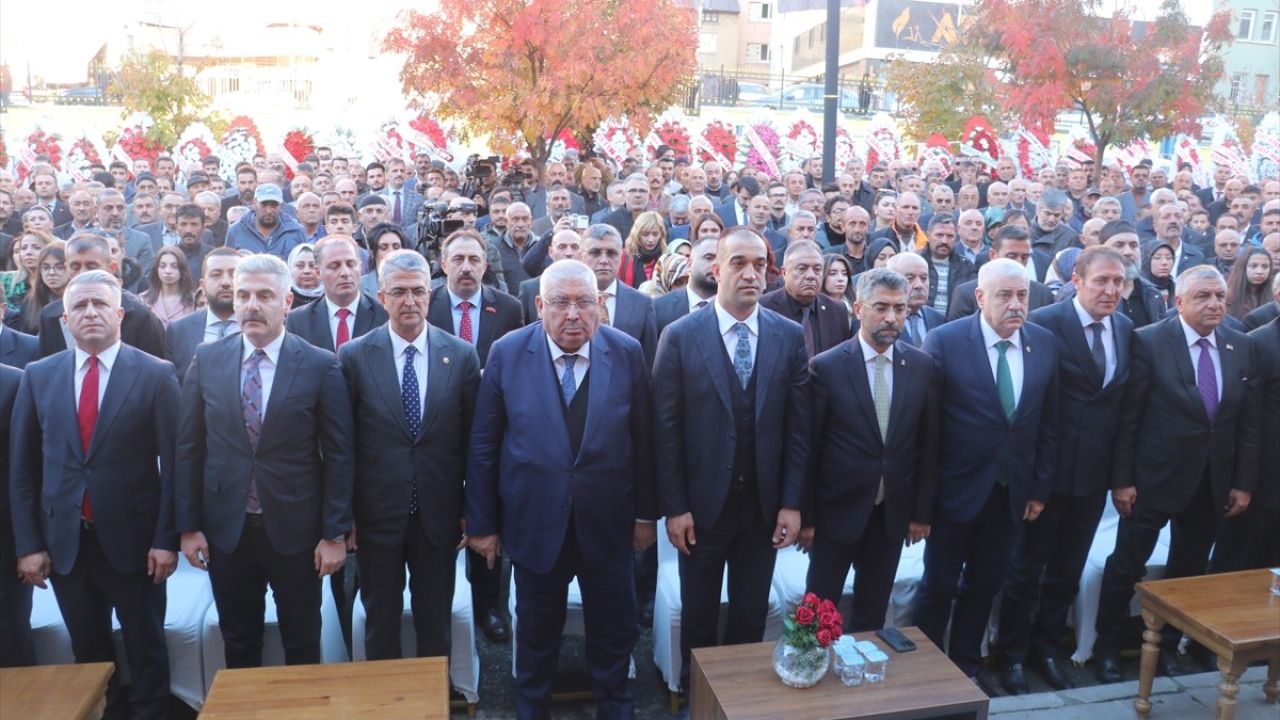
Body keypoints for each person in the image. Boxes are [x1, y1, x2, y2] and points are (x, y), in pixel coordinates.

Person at [466, 259, 655, 719]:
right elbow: (485, 445)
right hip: (534, 526)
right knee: (535, 638)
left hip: (608, 525)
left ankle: (617, 709)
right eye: (561, 303)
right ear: (538, 306)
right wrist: (483, 526)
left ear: (600, 305)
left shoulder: (626, 351)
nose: (573, 314)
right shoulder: (508, 353)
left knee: (614, 637)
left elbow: (646, 441)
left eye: (585, 302)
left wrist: (646, 515)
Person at [10, 270, 180, 718]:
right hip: (67, 544)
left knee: (146, 647)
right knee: (88, 652)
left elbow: (176, 469)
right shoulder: (39, 376)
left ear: (120, 314)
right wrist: (29, 545)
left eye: (100, 305)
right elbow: (23, 471)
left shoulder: (157, 375)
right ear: (65, 318)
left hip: (136, 543)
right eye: (80, 307)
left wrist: (167, 540)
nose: (90, 313)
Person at [176, 253, 356, 669]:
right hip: (227, 531)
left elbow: (341, 455)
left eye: (263, 295)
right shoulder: (208, 359)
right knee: (239, 644)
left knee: (302, 642)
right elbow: (188, 449)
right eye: (243, 295)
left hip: (297, 533)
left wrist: (333, 533)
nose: (251, 305)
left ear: (287, 302)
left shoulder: (319, 364)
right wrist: (188, 528)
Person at [653, 228, 810, 694]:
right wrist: (675, 506)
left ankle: (739, 700)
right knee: (698, 619)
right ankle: (696, 698)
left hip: (762, 509)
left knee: (749, 616)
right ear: (716, 269)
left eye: (759, 264)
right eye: (738, 263)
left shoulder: (788, 335)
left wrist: (791, 502)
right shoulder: (679, 336)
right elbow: (665, 430)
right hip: (701, 511)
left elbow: (799, 429)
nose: (750, 273)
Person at [1093, 265, 1260, 683]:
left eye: (1220, 296)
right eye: (1203, 296)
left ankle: (1168, 647)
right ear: (1179, 301)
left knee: (1187, 571)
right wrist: (1122, 480)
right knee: (1126, 566)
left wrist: (1242, 482)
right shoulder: (1149, 341)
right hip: (1151, 481)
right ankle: (1107, 647)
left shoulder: (1239, 345)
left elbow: (1247, 424)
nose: (1214, 304)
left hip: (1211, 484)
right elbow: (1128, 418)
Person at [913, 258, 1059, 681]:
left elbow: (1048, 424)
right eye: (1004, 295)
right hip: (954, 492)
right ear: (980, 297)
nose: (1016, 305)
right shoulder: (944, 341)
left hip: (1010, 493)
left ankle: (964, 670)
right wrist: (924, 502)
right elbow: (927, 429)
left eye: (1022, 296)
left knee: (984, 585)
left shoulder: (1043, 343)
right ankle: (924, 675)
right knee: (938, 587)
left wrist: (1038, 489)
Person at [998, 246, 1134, 694]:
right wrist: (1036, 481)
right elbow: (1033, 409)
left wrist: (1119, 477)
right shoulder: (1046, 324)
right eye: (1102, 281)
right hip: (1047, 476)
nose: (1111, 290)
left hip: (1092, 480)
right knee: (1025, 569)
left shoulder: (1127, 330)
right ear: (1077, 280)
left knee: (1066, 570)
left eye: (1119, 282)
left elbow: (1122, 412)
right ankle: (1012, 656)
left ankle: (1047, 647)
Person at [339, 249, 480, 662]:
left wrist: (473, 508)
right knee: (380, 624)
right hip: (376, 516)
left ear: (431, 295)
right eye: (398, 292)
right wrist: (344, 513)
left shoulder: (461, 355)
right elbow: (342, 443)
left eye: (418, 291)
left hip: (439, 514)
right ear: (381, 297)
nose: (409, 301)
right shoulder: (355, 356)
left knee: (435, 626)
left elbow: (473, 441)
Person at [803, 268, 939, 631]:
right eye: (881, 307)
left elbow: (927, 446)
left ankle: (861, 680)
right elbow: (809, 450)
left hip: (891, 514)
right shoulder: (827, 367)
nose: (892, 317)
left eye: (900, 308)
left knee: (872, 613)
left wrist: (921, 513)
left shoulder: (922, 366)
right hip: (836, 513)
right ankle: (815, 677)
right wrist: (807, 518)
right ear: (859, 308)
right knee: (819, 612)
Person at [1212, 283, 1279, 571]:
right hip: (1261, 485)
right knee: (1236, 568)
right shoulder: (1257, 344)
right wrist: (1243, 483)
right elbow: (1244, 422)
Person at [37, 234, 168, 359]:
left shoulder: (141, 317)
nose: (82, 273)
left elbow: (154, 374)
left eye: (91, 266)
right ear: (66, 268)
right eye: (75, 266)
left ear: (111, 267)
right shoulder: (50, 316)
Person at [428, 229, 524, 369]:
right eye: (458, 259)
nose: (466, 268)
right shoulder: (426, 306)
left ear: (484, 267)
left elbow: (516, 363)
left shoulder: (509, 309)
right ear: (444, 266)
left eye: (474, 260)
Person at [285, 235, 389, 353]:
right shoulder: (298, 321)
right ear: (318, 272)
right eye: (334, 266)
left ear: (360, 267)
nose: (345, 273)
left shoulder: (384, 316)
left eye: (350, 264)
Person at [758, 240, 850, 357]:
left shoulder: (837, 310)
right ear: (784, 273)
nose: (811, 276)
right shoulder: (764, 307)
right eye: (802, 269)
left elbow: (842, 358)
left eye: (817, 269)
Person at [166, 247, 241, 381]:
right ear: (203, 284)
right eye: (216, 275)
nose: (225, 282)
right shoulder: (178, 331)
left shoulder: (261, 327)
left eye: (234, 275)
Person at [653, 234, 718, 340]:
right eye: (709, 258)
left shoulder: (737, 308)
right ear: (689, 264)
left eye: (721, 260)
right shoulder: (658, 308)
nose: (716, 265)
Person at [225, 184, 307, 259]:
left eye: (274, 205)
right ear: (254, 203)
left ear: (281, 205)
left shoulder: (296, 230)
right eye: (264, 205)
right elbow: (228, 263)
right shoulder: (236, 231)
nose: (268, 210)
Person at [884, 253, 945, 347]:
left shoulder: (938, 319)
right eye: (910, 278)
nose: (919, 285)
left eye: (924, 278)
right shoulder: (882, 320)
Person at [16, 241, 67, 334]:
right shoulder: (30, 302)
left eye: (59, 267)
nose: (51, 272)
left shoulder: (79, 299)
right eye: (46, 267)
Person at [142, 246, 197, 327]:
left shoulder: (194, 301)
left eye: (174, 266)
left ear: (182, 269)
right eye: (162, 266)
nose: (168, 271)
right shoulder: (143, 299)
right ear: (156, 269)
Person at [1, 231, 50, 312]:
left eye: (36, 247)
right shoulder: (6, 279)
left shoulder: (54, 281)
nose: (28, 252)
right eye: (24, 248)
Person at [619, 211, 667, 288]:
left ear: (661, 234)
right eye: (645, 234)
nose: (651, 239)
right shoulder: (624, 257)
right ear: (637, 234)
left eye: (655, 234)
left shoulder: (666, 259)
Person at [1225, 246, 1273, 321]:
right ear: (1243, 268)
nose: (1259, 271)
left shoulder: (1274, 297)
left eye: (1265, 267)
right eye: (1254, 266)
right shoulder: (1227, 297)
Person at [286, 243, 323, 308]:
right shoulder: (284, 299)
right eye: (300, 266)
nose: (307, 271)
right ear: (290, 268)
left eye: (312, 265)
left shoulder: (332, 298)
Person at [820, 253, 855, 322]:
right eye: (833, 273)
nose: (840, 279)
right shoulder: (814, 307)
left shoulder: (856, 304)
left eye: (844, 274)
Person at [1141, 242, 1176, 310]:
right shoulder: (1140, 290)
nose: (1164, 262)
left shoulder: (1176, 289)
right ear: (1146, 260)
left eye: (1168, 258)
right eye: (1157, 258)